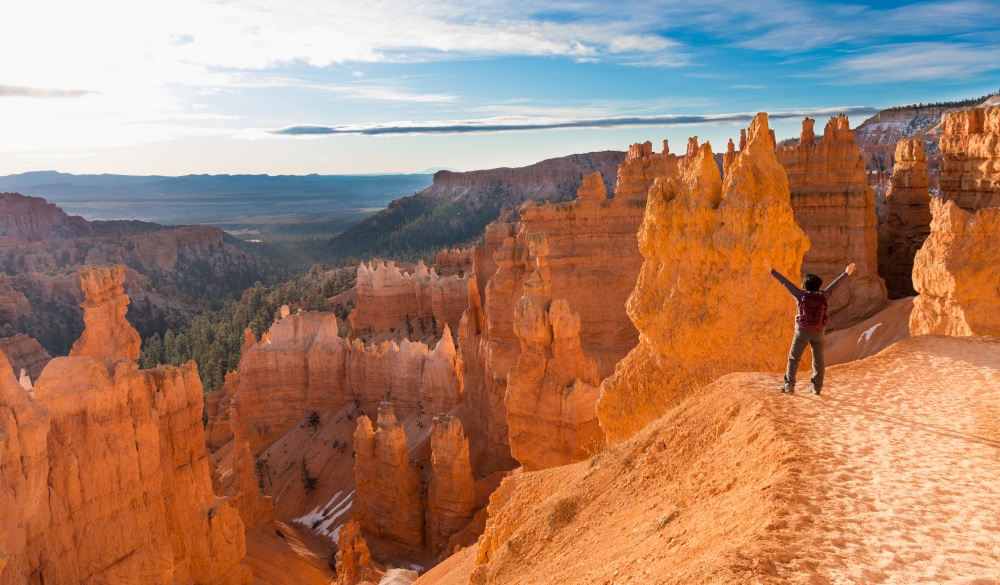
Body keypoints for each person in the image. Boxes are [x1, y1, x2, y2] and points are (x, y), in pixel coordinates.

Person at [764, 259, 856, 395]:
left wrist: (772, 270)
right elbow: (835, 285)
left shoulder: (800, 295)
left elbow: (785, 283)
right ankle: (817, 388)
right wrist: (846, 273)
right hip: (819, 331)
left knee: (794, 357)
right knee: (818, 359)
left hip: (802, 332)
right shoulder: (824, 295)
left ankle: (789, 386)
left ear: (805, 285)